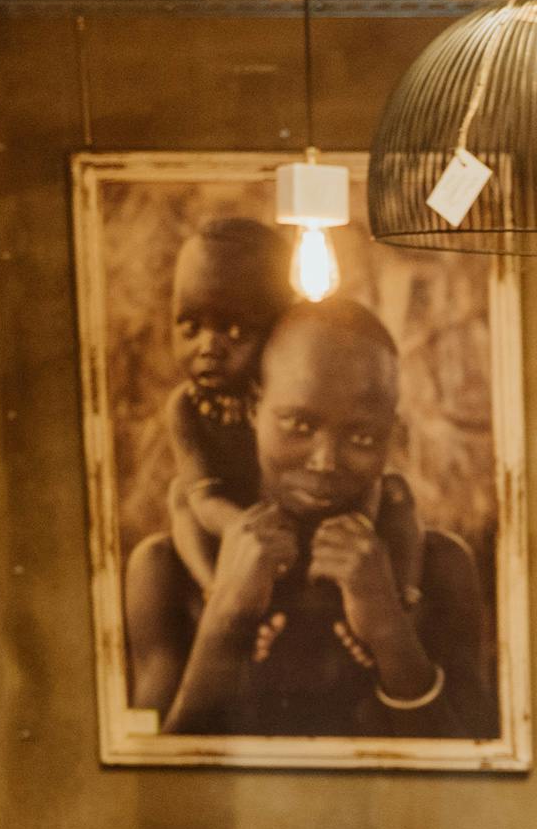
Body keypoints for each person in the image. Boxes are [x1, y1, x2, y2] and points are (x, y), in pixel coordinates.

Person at [120, 296, 499, 741]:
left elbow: (482, 782)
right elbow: (146, 788)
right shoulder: (166, 572)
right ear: (253, 408)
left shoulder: (438, 568)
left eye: (361, 436)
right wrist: (224, 621)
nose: (324, 461)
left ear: (391, 434)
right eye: (298, 426)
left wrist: (390, 630)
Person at [157, 219, 425, 614]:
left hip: (320, 518)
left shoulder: (298, 389)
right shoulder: (187, 408)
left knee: (395, 493)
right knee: (180, 496)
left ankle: (402, 596)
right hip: (233, 516)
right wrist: (243, 531)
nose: (208, 347)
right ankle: (216, 590)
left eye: (234, 331)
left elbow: (365, 480)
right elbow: (204, 500)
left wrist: (360, 529)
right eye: (190, 326)